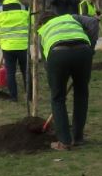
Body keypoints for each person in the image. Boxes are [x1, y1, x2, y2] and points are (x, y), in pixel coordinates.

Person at [36, 11, 98, 150]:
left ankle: (64, 141)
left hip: (58, 54)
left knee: (57, 98)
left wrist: (55, 81)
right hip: (83, 51)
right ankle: (78, 137)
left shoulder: (42, 30)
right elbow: (94, 22)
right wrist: (91, 47)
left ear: (41, 23)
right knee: (81, 94)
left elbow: (46, 63)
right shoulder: (70, 18)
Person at [0, 0, 31, 101]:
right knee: (26, 71)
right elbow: (31, 25)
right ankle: (30, 96)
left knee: (10, 72)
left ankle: (13, 97)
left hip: (7, 47)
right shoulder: (25, 8)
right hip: (23, 45)